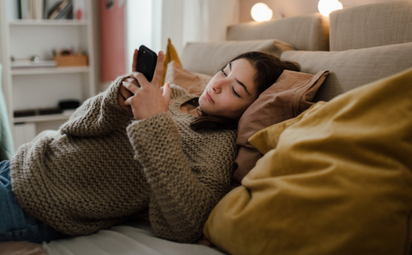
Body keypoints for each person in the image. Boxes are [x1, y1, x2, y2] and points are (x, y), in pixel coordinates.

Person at [0, 50, 300, 244]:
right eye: (224, 71)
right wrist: (115, 100)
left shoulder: (218, 146)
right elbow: (75, 126)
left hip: (40, 203)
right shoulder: (177, 94)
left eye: (236, 89)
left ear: (251, 107)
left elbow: (186, 223)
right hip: (27, 160)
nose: (218, 85)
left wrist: (154, 121)